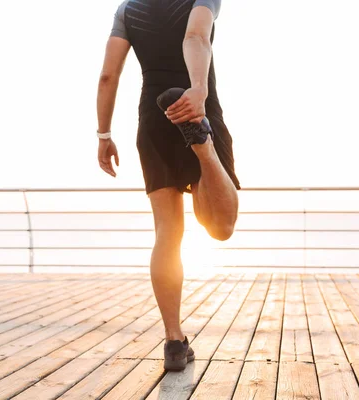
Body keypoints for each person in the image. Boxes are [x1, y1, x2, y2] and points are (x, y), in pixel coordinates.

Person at [95, 0, 240, 371]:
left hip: (154, 118)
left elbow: (108, 76)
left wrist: (104, 134)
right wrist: (197, 92)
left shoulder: (127, 10)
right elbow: (195, 36)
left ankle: (174, 342)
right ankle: (203, 149)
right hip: (195, 108)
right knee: (220, 228)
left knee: (167, 233)